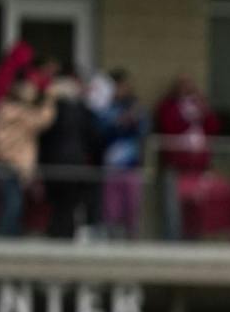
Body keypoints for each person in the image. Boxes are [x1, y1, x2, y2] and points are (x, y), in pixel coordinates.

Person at [152, 73, 217, 240]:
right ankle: (172, 240)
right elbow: (168, 127)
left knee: (196, 206)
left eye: (189, 84)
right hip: (176, 165)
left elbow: (213, 128)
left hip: (198, 166)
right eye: (182, 84)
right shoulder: (168, 106)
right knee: (173, 208)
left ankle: (194, 238)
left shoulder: (199, 105)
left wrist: (203, 111)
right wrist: (188, 120)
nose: (187, 88)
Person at [36, 69, 96, 238]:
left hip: (53, 162)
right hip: (74, 162)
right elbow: (92, 135)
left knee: (55, 203)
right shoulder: (81, 110)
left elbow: (43, 136)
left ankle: (56, 233)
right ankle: (66, 235)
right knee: (69, 204)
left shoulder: (50, 109)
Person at [0, 73, 55, 236]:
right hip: (14, 162)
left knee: (9, 200)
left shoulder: (4, 109)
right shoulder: (20, 113)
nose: (33, 92)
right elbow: (43, 119)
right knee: (14, 202)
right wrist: (50, 98)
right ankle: (7, 236)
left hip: (6, 160)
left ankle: (7, 233)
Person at [93, 69, 147, 239]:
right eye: (118, 86)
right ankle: (111, 240)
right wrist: (117, 122)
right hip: (110, 166)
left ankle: (132, 240)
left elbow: (144, 130)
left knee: (132, 208)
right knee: (111, 210)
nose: (122, 89)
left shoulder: (136, 107)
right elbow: (99, 131)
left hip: (131, 166)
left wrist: (133, 120)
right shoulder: (105, 108)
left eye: (124, 86)